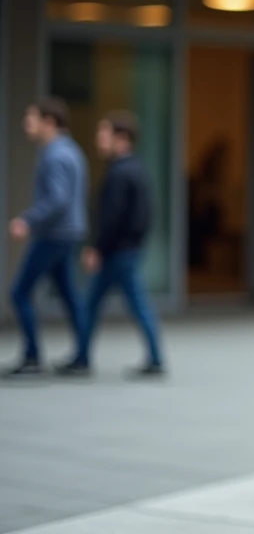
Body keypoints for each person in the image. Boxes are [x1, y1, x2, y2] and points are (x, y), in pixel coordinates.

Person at [57, 112, 165, 378]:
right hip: (126, 250)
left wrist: (97, 248)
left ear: (122, 138)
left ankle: (83, 358)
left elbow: (112, 217)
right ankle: (151, 357)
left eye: (104, 134)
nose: (99, 140)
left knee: (96, 304)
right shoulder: (135, 169)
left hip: (117, 253)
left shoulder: (120, 173)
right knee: (118, 304)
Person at [5, 98, 89, 377]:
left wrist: (27, 220)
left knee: (19, 292)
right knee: (68, 295)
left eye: (31, 119)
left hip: (53, 235)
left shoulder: (56, 155)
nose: (26, 125)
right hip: (68, 233)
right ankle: (82, 357)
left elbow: (58, 199)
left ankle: (32, 357)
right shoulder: (71, 152)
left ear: (49, 122)